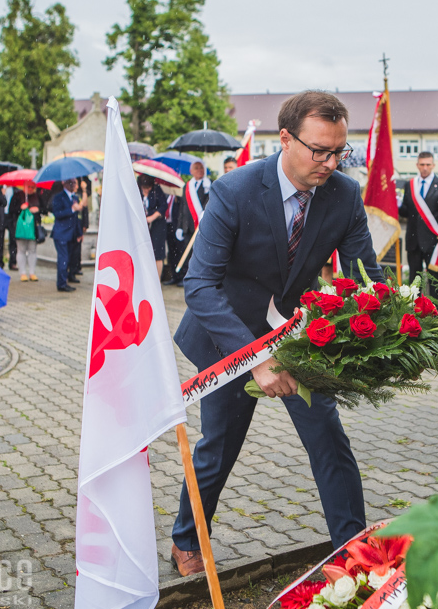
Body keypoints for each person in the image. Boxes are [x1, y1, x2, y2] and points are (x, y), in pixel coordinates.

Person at [170, 90, 382, 577]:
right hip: (228, 333)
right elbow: (199, 285)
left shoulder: (345, 195)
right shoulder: (235, 189)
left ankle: (354, 551)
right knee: (219, 445)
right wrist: (253, 360)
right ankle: (187, 539)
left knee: (328, 437)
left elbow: (364, 278)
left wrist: (389, 329)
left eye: (339, 152)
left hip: (295, 334)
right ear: (285, 139)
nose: (330, 163)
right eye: (319, 151)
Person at [398, 151, 438, 294]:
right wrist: (397, 204)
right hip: (414, 240)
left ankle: (435, 313)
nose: (425, 168)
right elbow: (407, 212)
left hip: (434, 242)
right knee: (414, 283)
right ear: (417, 165)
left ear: (433, 165)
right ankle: (413, 313)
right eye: (422, 164)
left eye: (428, 164)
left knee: (434, 282)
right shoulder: (410, 185)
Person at [173, 161, 210, 285]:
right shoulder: (187, 186)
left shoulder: (208, 185)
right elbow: (183, 207)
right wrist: (179, 226)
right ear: (191, 171)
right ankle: (186, 277)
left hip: (201, 226)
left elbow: (208, 204)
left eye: (201, 168)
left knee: (200, 254)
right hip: (187, 226)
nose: (199, 170)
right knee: (187, 253)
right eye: (196, 168)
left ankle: (199, 278)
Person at [50, 178, 83, 292]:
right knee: (63, 259)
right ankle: (61, 283)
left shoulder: (75, 198)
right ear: (65, 184)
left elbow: (76, 218)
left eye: (75, 183)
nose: (74, 185)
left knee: (68, 259)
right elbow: (57, 214)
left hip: (72, 234)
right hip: (61, 234)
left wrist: (79, 233)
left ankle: (66, 279)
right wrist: (71, 209)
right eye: (71, 182)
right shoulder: (59, 197)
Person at [10, 180, 42, 282]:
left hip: (33, 228)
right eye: (29, 187)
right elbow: (11, 210)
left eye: (33, 187)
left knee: (32, 250)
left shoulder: (37, 196)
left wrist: (37, 210)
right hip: (21, 228)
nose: (31, 189)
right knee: (21, 250)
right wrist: (21, 208)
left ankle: (32, 272)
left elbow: (45, 208)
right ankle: (22, 272)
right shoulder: (17, 196)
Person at [138, 174, 167, 279]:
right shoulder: (136, 190)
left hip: (157, 224)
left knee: (157, 252)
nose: (146, 190)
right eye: (144, 188)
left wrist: (151, 217)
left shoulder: (157, 189)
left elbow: (164, 206)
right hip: (142, 225)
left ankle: (157, 279)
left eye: (148, 188)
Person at [163, 188, 184, 283]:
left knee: (179, 251)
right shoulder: (166, 195)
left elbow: (182, 210)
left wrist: (178, 199)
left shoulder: (180, 196)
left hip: (177, 226)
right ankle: (174, 276)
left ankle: (182, 276)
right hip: (167, 225)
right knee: (171, 252)